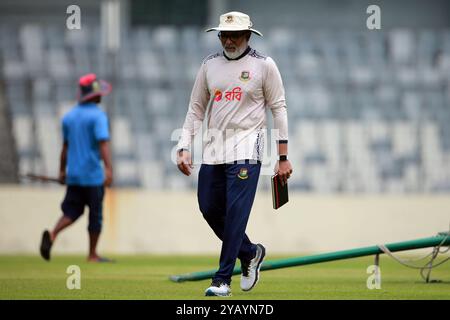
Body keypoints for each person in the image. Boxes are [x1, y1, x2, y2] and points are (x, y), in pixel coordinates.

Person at [176, 11, 293, 296]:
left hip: (247, 147)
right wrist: (184, 145)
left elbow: (278, 108)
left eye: (234, 35)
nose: (228, 40)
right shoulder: (209, 65)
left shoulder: (264, 66)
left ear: (248, 36)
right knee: (208, 207)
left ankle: (222, 279)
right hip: (214, 148)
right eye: (224, 35)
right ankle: (251, 252)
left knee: (235, 213)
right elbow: (196, 108)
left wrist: (283, 156)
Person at [39, 73, 114, 263]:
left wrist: (62, 171)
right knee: (95, 216)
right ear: (94, 96)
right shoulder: (98, 116)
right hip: (92, 176)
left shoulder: (69, 117)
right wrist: (108, 169)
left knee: (71, 211)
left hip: (74, 175)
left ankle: (54, 233)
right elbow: (103, 144)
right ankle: (92, 254)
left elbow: (65, 148)